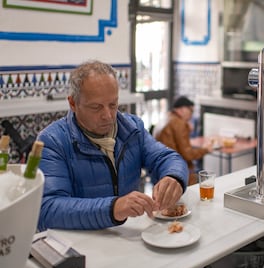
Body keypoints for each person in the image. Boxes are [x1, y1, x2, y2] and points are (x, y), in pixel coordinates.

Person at [37, 60, 188, 231]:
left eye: (113, 105)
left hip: (126, 236)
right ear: (73, 104)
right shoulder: (52, 141)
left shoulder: (132, 129)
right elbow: (47, 210)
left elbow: (166, 157)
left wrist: (173, 177)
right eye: (96, 107)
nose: (108, 116)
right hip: (80, 245)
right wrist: (113, 208)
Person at [154, 96, 212, 185]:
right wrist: (206, 150)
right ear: (182, 110)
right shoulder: (179, 124)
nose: (191, 115)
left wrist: (187, 127)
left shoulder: (166, 117)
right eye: (191, 111)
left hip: (160, 169)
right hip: (176, 171)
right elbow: (188, 154)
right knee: (206, 178)